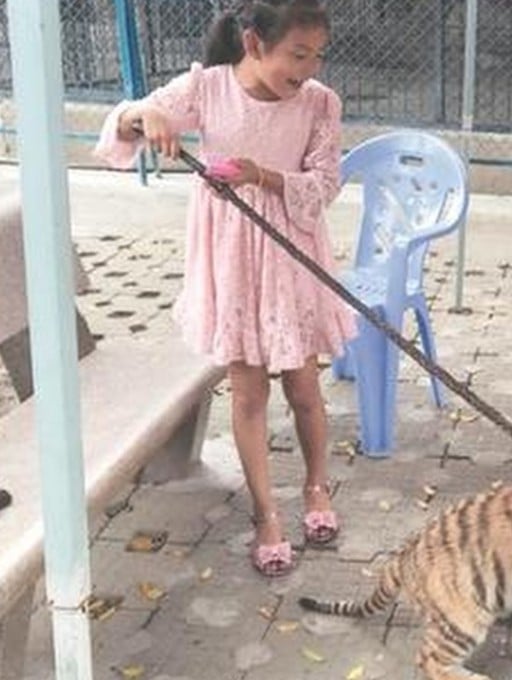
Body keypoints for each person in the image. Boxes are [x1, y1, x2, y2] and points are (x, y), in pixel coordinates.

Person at [94, 0, 357, 577]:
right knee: (248, 395)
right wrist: (145, 115)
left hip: (291, 255)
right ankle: (266, 514)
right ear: (254, 43)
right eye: (297, 54)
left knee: (305, 387)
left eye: (317, 55)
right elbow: (123, 126)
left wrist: (259, 175)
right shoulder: (207, 88)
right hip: (231, 262)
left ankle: (317, 486)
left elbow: (326, 183)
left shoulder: (320, 103)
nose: (308, 68)